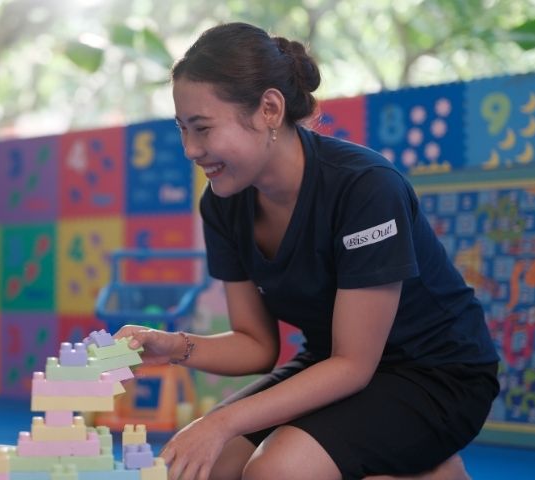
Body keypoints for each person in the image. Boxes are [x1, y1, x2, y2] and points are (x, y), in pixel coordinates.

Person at [115, 22, 500, 480]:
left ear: (269, 109)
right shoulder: (222, 204)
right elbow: (256, 346)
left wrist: (218, 421)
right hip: (331, 364)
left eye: (202, 128)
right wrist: (173, 347)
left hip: (436, 374)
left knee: (275, 472)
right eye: (182, 130)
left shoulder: (366, 188)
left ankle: (428, 469)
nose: (190, 149)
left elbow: (355, 365)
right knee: (200, 468)